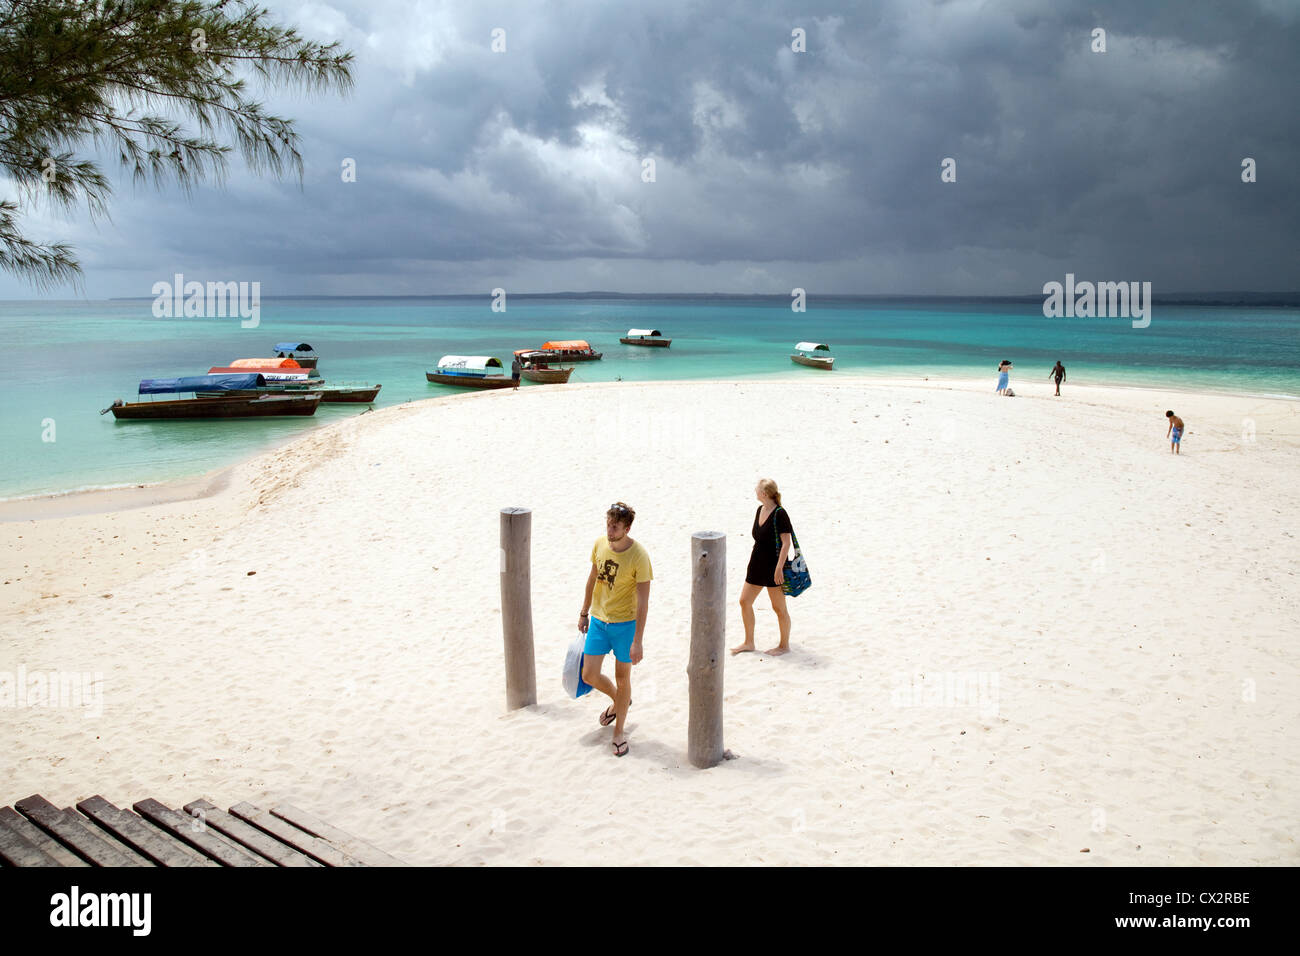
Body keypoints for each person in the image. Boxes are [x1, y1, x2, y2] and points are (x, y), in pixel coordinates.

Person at [579, 502, 652, 757]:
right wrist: (583, 611)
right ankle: (620, 701)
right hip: (599, 620)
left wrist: (638, 640)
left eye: (615, 526)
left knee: (623, 679)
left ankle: (619, 730)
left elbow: (643, 600)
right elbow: (592, 579)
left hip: (625, 625)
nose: (610, 530)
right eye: (608, 525)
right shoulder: (600, 544)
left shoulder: (639, 556)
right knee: (589, 674)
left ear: (627, 528)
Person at [732, 478, 794, 657]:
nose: (755, 491)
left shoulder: (780, 514)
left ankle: (784, 645)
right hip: (756, 565)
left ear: (764, 494)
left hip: (774, 568)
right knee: (744, 601)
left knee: (779, 609)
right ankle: (749, 642)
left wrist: (779, 568)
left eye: (757, 489)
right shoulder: (760, 509)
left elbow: (786, 543)